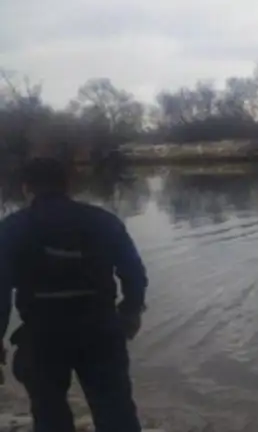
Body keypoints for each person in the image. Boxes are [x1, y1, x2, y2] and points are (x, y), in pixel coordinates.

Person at [0, 158, 148, 432]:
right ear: (67, 185)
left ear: (26, 188)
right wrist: (131, 311)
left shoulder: (12, 228)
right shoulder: (103, 221)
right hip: (100, 330)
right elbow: (134, 272)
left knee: (49, 414)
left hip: (43, 335)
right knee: (116, 411)